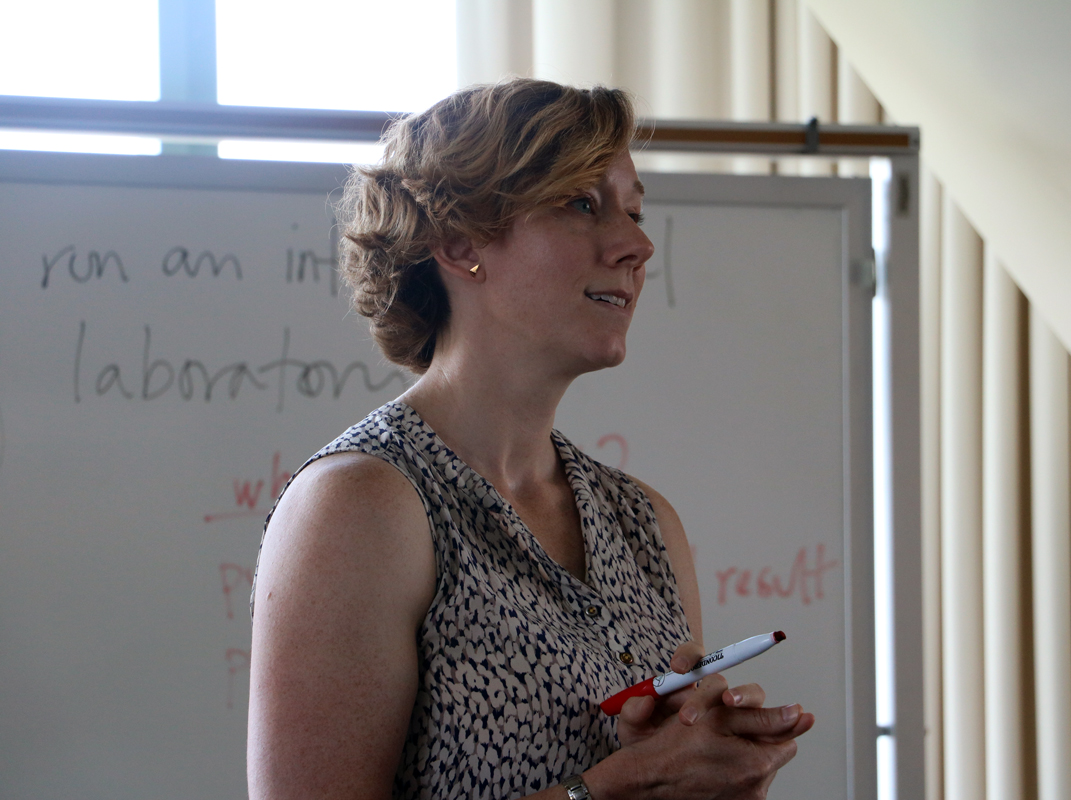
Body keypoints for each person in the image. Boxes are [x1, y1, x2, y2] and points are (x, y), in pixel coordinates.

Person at [247, 78, 815, 800]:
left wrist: (703, 778)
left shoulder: (644, 523)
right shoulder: (360, 505)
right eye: (582, 204)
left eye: (636, 211)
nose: (638, 244)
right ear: (457, 242)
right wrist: (600, 792)